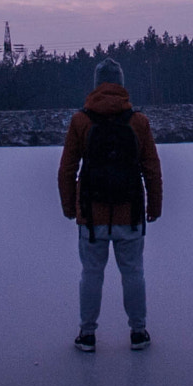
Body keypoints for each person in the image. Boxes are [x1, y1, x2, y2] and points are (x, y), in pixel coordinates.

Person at [58, 57, 163, 352]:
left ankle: (87, 334)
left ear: (95, 85)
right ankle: (138, 332)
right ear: (121, 83)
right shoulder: (138, 121)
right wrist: (154, 207)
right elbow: (152, 167)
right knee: (133, 273)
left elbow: (67, 168)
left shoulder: (81, 121)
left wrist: (70, 208)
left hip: (91, 217)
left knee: (91, 274)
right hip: (130, 215)